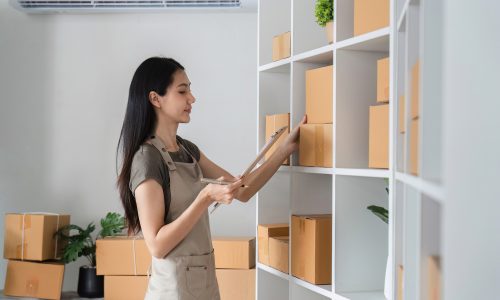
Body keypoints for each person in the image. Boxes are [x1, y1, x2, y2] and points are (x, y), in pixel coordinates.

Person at [116, 57, 305, 299]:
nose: (192, 98)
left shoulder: (187, 150)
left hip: (204, 285)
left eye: (190, 90)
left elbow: (243, 190)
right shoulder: (147, 159)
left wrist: (284, 150)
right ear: (155, 99)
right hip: (172, 292)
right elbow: (157, 245)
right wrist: (205, 197)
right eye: (182, 91)